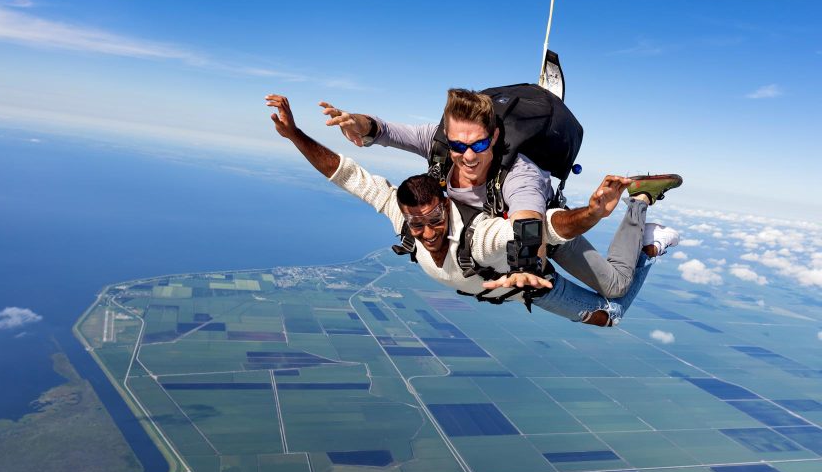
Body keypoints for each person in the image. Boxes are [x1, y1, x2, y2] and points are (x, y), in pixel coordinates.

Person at [266, 94, 679, 327]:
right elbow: (353, 168)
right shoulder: (429, 168)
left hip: (537, 250)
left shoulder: (518, 177)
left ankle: (641, 210)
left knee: (617, 293)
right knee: (607, 320)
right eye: (458, 144)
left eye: (479, 145)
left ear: (495, 137)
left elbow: (532, 223)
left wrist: (586, 217)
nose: (466, 155)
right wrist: (346, 126)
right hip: (513, 274)